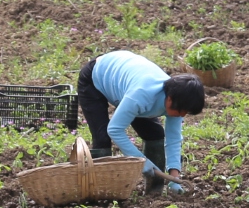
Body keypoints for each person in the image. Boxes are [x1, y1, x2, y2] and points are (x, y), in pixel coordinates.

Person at [75, 50, 205, 192]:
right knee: (102, 139)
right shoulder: (141, 96)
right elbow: (115, 129)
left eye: (186, 112)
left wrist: (175, 178)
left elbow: (173, 139)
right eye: (181, 111)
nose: (182, 115)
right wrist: (140, 160)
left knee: (155, 134)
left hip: (126, 82)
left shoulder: (179, 100)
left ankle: (154, 189)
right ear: (169, 99)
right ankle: (100, 190)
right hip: (96, 77)